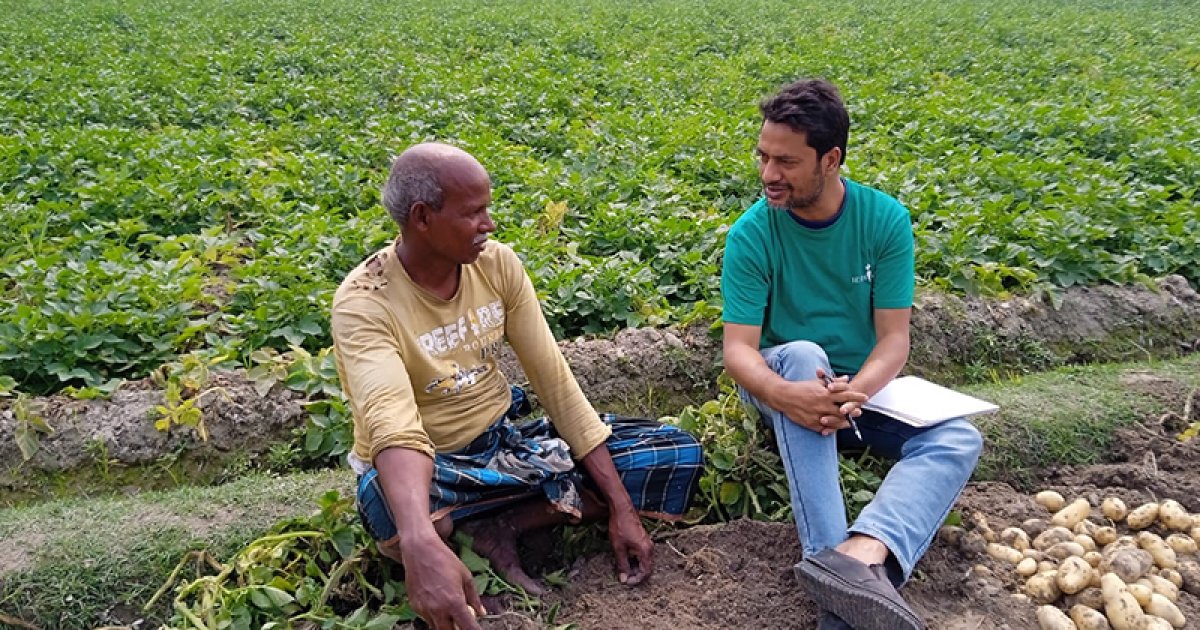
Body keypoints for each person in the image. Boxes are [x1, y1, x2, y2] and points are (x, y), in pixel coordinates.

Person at [331, 142, 703, 630]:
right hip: (432, 468)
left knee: (672, 452)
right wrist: (420, 539)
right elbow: (392, 423)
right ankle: (443, 536)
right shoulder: (364, 303)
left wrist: (621, 506)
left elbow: (556, 383)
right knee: (389, 505)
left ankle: (501, 526)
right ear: (422, 218)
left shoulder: (498, 266)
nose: (490, 224)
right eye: (474, 213)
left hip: (506, 446)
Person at [720, 79, 983, 630]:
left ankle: (858, 558)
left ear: (831, 159)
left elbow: (893, 340)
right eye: (764, 156)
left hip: (856, 391)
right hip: (782, 384)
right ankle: (836, 587)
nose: (769, 174)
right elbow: (739, 351)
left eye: (786, 162)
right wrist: (784, 393)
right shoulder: (752, 234)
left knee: (959, 435)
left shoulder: (883, 220)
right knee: (802, 353)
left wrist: (855, 390)